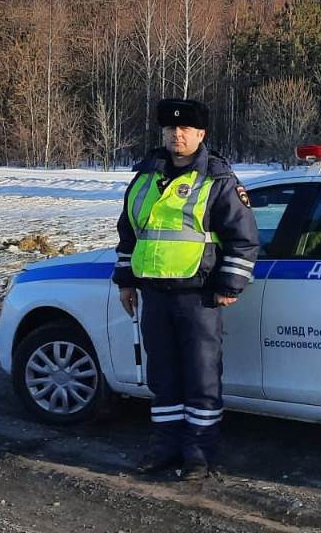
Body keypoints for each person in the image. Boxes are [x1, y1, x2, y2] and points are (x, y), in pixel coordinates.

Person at [113, 98, 259, 480]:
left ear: (201, 134)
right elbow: (130, 233)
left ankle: (199, 455)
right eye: (170, 130)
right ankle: (165, 448)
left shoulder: (217, 178)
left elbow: (243, 238)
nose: (176, 135)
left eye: (185, 130)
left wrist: (230, 283)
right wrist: (126, 282)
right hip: (155, 293)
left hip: (200, 294)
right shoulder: (145, 176)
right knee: (164, 377)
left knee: (201, 376)